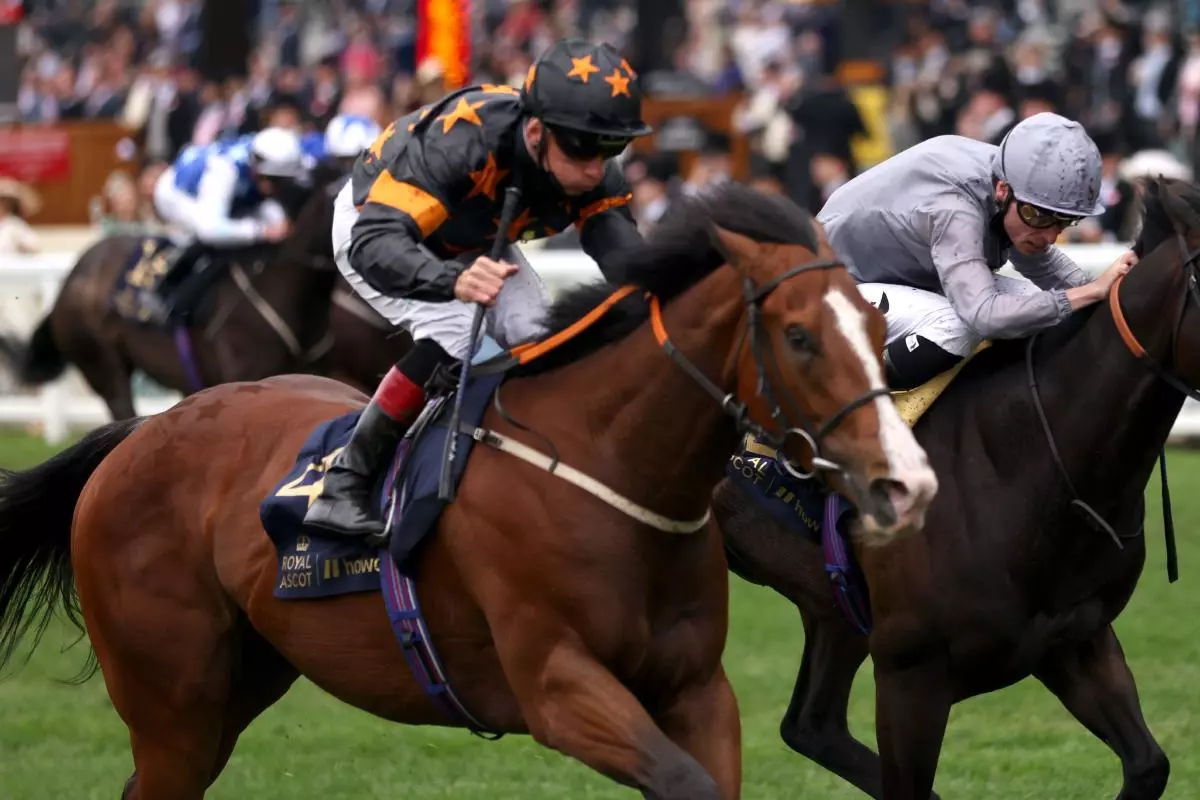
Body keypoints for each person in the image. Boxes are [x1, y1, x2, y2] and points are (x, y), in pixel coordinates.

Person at [304, 38, 653, 539]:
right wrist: (451, 280)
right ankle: (344, 483)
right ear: (536, 131)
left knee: (535, 330)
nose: (597, 169)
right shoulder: (464, 139)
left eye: (611, 148)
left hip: (472, 239)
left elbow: (624, 258)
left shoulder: (585, 162)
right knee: (455, 332)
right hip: (376, 226)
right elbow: (375, 244)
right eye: (581, 147)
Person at [816, 112, 1139, 390]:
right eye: (1040, 217)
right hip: (826, 287)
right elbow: (984, 316)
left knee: (1030, 305)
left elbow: (1041, 263)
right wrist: (1089, 292)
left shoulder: (1013, 180)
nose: (1051, 236)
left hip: (893, 279)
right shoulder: (955, 207)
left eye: (1065, 221)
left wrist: (1113, 296)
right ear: (1003, 190)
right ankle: (824, 414)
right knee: (954, 327)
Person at [148, 126, 308, 321]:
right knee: (221, 244)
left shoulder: (263, 158)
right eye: (273, 180)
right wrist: (263, 232)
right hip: (176, 195)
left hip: (223, 193)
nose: (274, 187)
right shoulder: (225, 170)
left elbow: (269, 206)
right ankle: (170, 298)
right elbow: (211, 229)